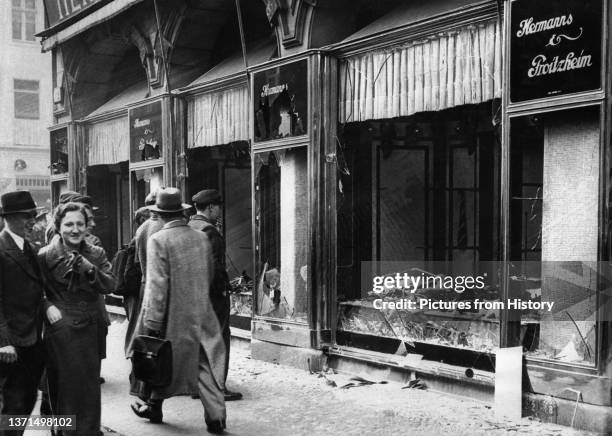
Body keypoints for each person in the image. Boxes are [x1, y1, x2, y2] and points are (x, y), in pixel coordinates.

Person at [132, 187, 227, 434]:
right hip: (202, 312)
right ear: (181, 212)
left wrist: (152, 321)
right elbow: (208, 275)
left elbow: (157, 285)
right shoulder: (201, 237)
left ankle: (154, 406)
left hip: (172, 316)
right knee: (205, 363)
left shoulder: (158, 240)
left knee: (162, 362)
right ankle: (215, 418)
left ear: (160, 215)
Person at [38, 202, 115, 436]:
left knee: (89, 386)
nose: (75, 229)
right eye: (68, 224)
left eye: (80, 224)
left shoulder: (96, 253)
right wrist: (47, 305)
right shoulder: (45, 256)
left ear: (87, 226)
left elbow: (110, 285)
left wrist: (90, 269)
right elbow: (35, 291)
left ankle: (89, 431)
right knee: (64, 386)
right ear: (58, 226)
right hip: (60, 330)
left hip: (89, 328)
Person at [190, 189, 242, 401]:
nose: (220, 210)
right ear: (211, 207)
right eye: (219, 207)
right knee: (218, 339)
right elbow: (213, 268)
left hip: (192, 295)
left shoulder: (190, 226)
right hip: (212, 297)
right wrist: (223, 289)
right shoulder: (209, 231)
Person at [0, 191, 45, 436]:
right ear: (10, 218)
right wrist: (3, 342)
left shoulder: (29, 247)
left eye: (34, 215)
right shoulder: (2, 248)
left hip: (32, 340)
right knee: (13, 405)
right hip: (12, 346)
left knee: (27, 400)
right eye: (28, 216)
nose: (33, 220)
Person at [126, 191, 165, 416]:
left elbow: (139, 262)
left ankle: (142, 391)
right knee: (155, 344)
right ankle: (150, 397)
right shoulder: (162, 230)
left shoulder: (142, 229)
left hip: (145, 287)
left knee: (145, 341)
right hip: (155, 291)